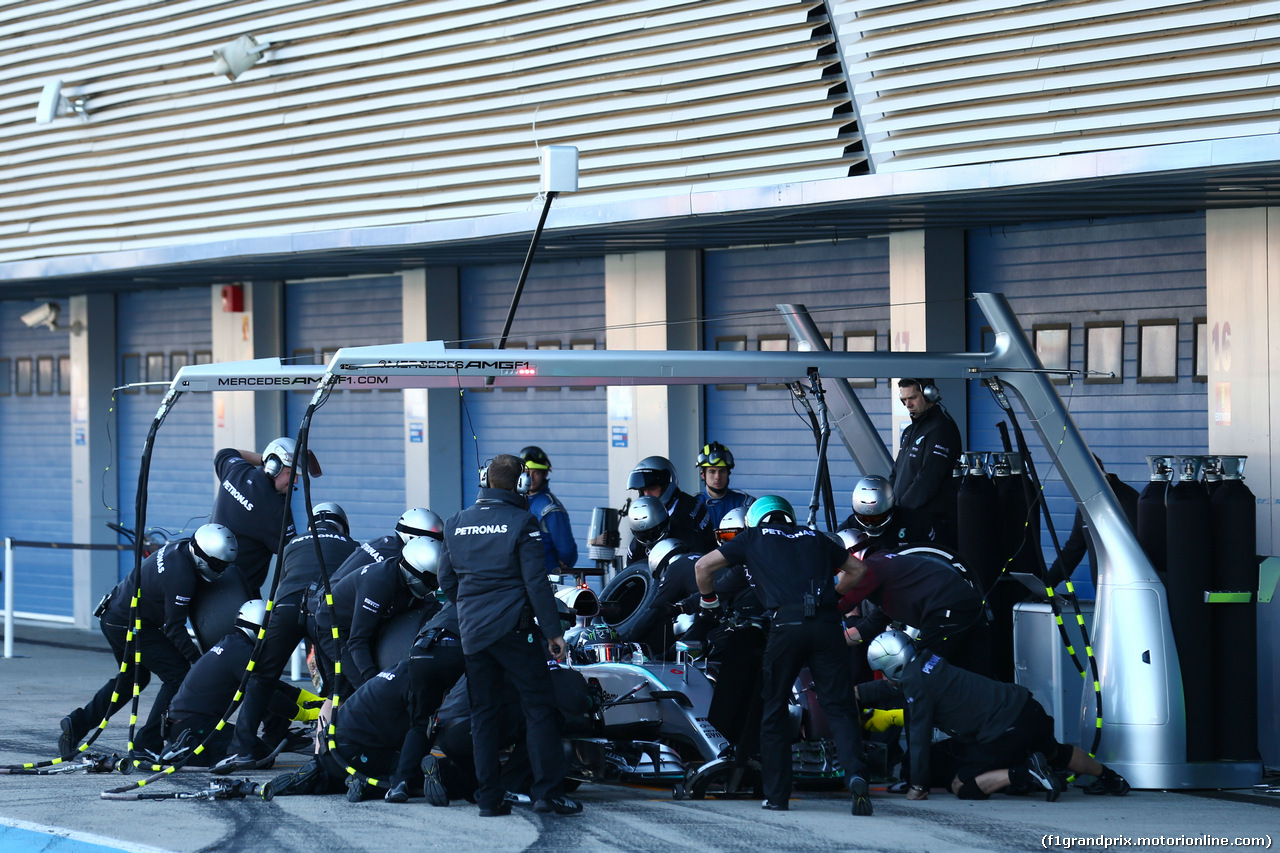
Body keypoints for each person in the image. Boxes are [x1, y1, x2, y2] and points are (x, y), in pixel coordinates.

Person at [694, 495, 874, 816]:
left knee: (775, 708)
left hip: (786, 625)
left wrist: (708, 600)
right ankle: (857, 775)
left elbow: (702, 566)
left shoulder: (751, 537)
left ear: (755, 520)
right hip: (827, 625)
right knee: (839, 705)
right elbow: (857, 570)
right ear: (788, 517)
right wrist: (832, 597)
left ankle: (778, 796)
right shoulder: (815, 536)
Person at [437, 453, 582, 817]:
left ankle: (489, 798)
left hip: (474, 635)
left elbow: (446, 582)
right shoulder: (523, 521)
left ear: (485, 480)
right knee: (539, 709)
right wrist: (553, 632)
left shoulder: (455, 523)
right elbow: (536, 583)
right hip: (516, 633)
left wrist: (471, 607)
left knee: (483, 714)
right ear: (520, 484)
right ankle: (547, 793)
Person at [858, 629, 1131, 801]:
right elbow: (893, 688)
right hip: (1026, 709)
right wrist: (856, 693)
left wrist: (918, 785)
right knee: (1055, 751)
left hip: (1002, 730)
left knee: (962, 785)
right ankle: (1110, 778)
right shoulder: (927, 661)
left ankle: (1025, 772)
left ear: (893, 666)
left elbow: (918, 737)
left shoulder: (916, 684)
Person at [59, 524, 238, 759]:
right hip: (128, 625)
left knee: (133, 679)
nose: (222, 570)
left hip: (114, 616)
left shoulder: (183, 547)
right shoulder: (182, 577)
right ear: (203, 557)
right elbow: (175, 629)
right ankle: (146, 744)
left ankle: (78, 723)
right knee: (178, 674)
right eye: (219, 565)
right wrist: (202, 662)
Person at [216, 502, 359, 772]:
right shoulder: (353, 546)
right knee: (339, 685)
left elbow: (282, 583)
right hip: (324, 609)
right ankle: (332, 750)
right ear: (343, 526)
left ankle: (242, 749)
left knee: (260, 676)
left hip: (286, 607)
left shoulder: (293, 543)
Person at [160, 600, 320, 767]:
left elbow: (274, 686)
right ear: (258, 628)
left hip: (186, 721)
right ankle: (186, 749)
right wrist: (305, 714)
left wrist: (316, 702)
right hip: (193, 727)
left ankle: (275, 735)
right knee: (260, 756)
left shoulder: (233, 645)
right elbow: (269, 696)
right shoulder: (242, 654)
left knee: (256, 744)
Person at [835, 530, 991, 678]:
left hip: (946, 609)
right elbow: (869, 627)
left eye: (840, 571)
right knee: (973, 671)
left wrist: (817, 640)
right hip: (964, 605)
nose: (838, 576)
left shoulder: (870, 569)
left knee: (922, 672)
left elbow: (836, 606)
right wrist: (835, 642)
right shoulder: (884, 566)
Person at [307, 537, 441, 698]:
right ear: (416, 573)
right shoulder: (379, 584)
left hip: (365, 628)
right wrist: (374, 681)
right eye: (431, 582)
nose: (434, 587)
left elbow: (431, 606)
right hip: (335, 631)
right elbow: (357, 641)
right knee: (354, 692)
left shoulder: (404, 577)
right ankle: (333, 721)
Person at [211, 437, 322, 595]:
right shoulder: (276, 510)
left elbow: (226, 453)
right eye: (291, 473)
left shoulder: (237, 472)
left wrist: (265, 460)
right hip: (239, 594)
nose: (295, 481)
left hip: (208, 584)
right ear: (273, 467)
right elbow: (294, 553)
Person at [1046, 456, 1140, 590]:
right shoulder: (1087, 501)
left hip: (1130, 590)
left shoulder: (1128, 500)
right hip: (1103, 592)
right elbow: (1073, 549)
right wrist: (1048, 583)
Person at [890, 379, 962, 548]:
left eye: (913, 398)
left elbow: (929, 478)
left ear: (930, 395)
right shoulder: (909, 431)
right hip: (907, 519)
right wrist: (889, 504)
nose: (908, 404)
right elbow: (896, 471)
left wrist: (901, 510)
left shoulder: (941, 429)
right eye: (904, 400)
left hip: (930, 523)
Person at [624, 455, 715, 563]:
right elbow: (634, 555)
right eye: (643, 490)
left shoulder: (690, 510)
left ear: (667, 486)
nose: (647, 494)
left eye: (652, 489)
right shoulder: (643, 513)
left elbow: (701, 553)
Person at [520, 446, 579, 574]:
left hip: (544, 579)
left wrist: (562, 563)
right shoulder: (516, 501)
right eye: (527, 472)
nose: (531, 477)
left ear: (545, 473)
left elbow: (567, 551)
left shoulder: (550, 508)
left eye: (536, 472)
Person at [838, 474, 935, 548]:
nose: (871, 525)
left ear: (890, 509)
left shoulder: (915, 524)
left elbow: (933, 556)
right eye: (864, 518)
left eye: (877, 518)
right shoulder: (848, 529)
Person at [694, 441, 754, 528]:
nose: (717, 477)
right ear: (703, 474)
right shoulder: (693, 505)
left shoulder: (745, 503)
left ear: (728, 473)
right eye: (712, 471)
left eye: (722, 471)